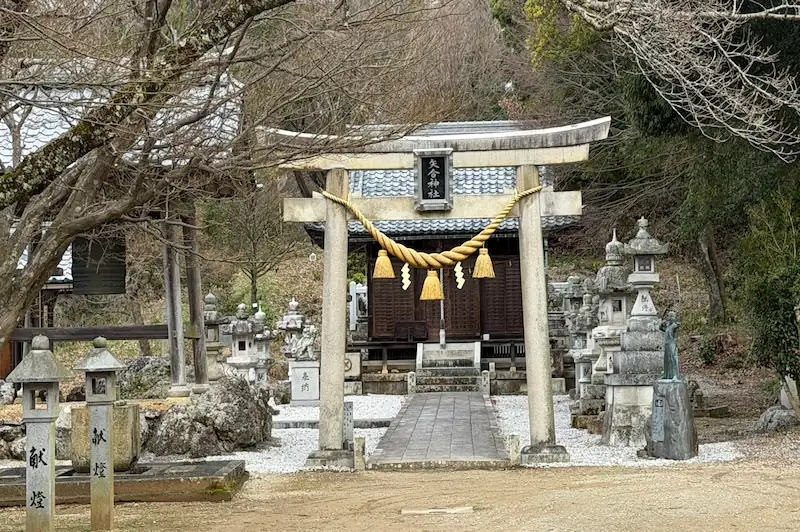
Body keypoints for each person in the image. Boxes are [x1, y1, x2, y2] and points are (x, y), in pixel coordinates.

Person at [659, 310, 680, 380]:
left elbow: (676, 328)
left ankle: (675, 375)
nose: (670, 318)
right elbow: (661, 328)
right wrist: (662, 324)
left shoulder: (674, 326)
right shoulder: (667, 325)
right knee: (666, 360)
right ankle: (666, 375)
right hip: (667, 344)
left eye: (672, 316)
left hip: (672, 344)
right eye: (669, 316)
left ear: (674, 318)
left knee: (673, 359)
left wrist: (678, 325)